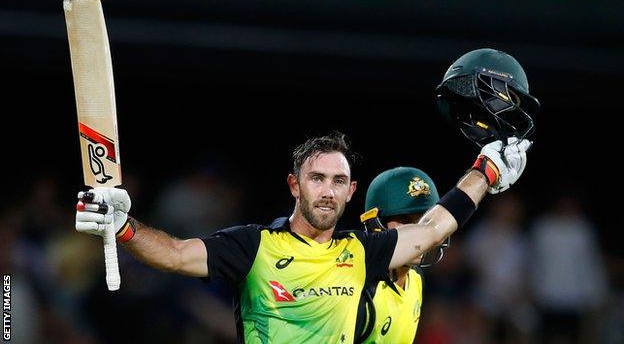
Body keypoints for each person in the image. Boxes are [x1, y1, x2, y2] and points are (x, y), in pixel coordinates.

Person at [74, 131, 530, 343]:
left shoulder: (362, 252)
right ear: (295, 185)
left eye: (338, 181)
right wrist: (124, 227)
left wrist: (485, 170)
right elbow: (174, 255)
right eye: (316, 178)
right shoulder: (254, 246)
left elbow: (434, 227)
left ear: (352, 192)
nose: (327, 191)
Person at [357, 167, 445, 343]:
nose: (418, 231)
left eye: (425, 221)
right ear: (375, 224)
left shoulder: (416, 278)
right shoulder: (358, 285)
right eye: (405, 221)